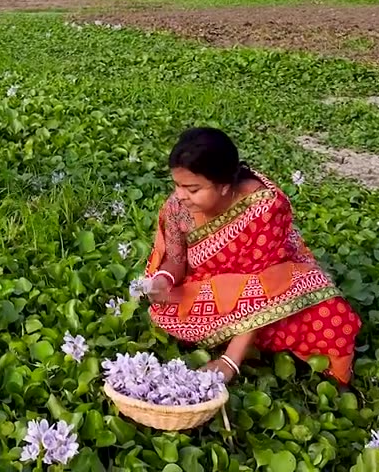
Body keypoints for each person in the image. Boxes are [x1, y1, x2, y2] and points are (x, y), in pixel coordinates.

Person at [144, 127, 361, 386]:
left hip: (275, 286)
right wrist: (163, 280)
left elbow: (264, 290)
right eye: (177, 185)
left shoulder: (263, 207)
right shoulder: (177, 207)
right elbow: (177, 261)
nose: (180, 195)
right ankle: (244, 336)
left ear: (224, 186)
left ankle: (240, 339)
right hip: (211, 287)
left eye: (192, 189)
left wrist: (230, 361)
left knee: (331, 315)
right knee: (167, 303)